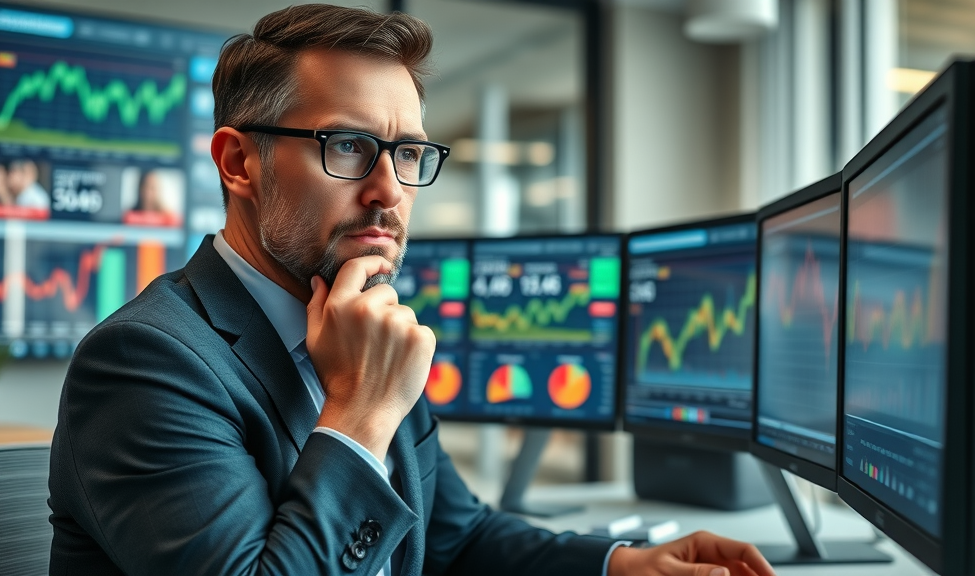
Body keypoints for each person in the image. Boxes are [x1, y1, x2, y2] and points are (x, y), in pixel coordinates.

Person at [47, 5, 776, 576]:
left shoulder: (360, 325)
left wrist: (620, 565)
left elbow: (457, 539)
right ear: (240, 163)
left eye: (409, 153)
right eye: (348, 147)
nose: (389, 190)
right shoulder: (146, 363)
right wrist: (362, 412)